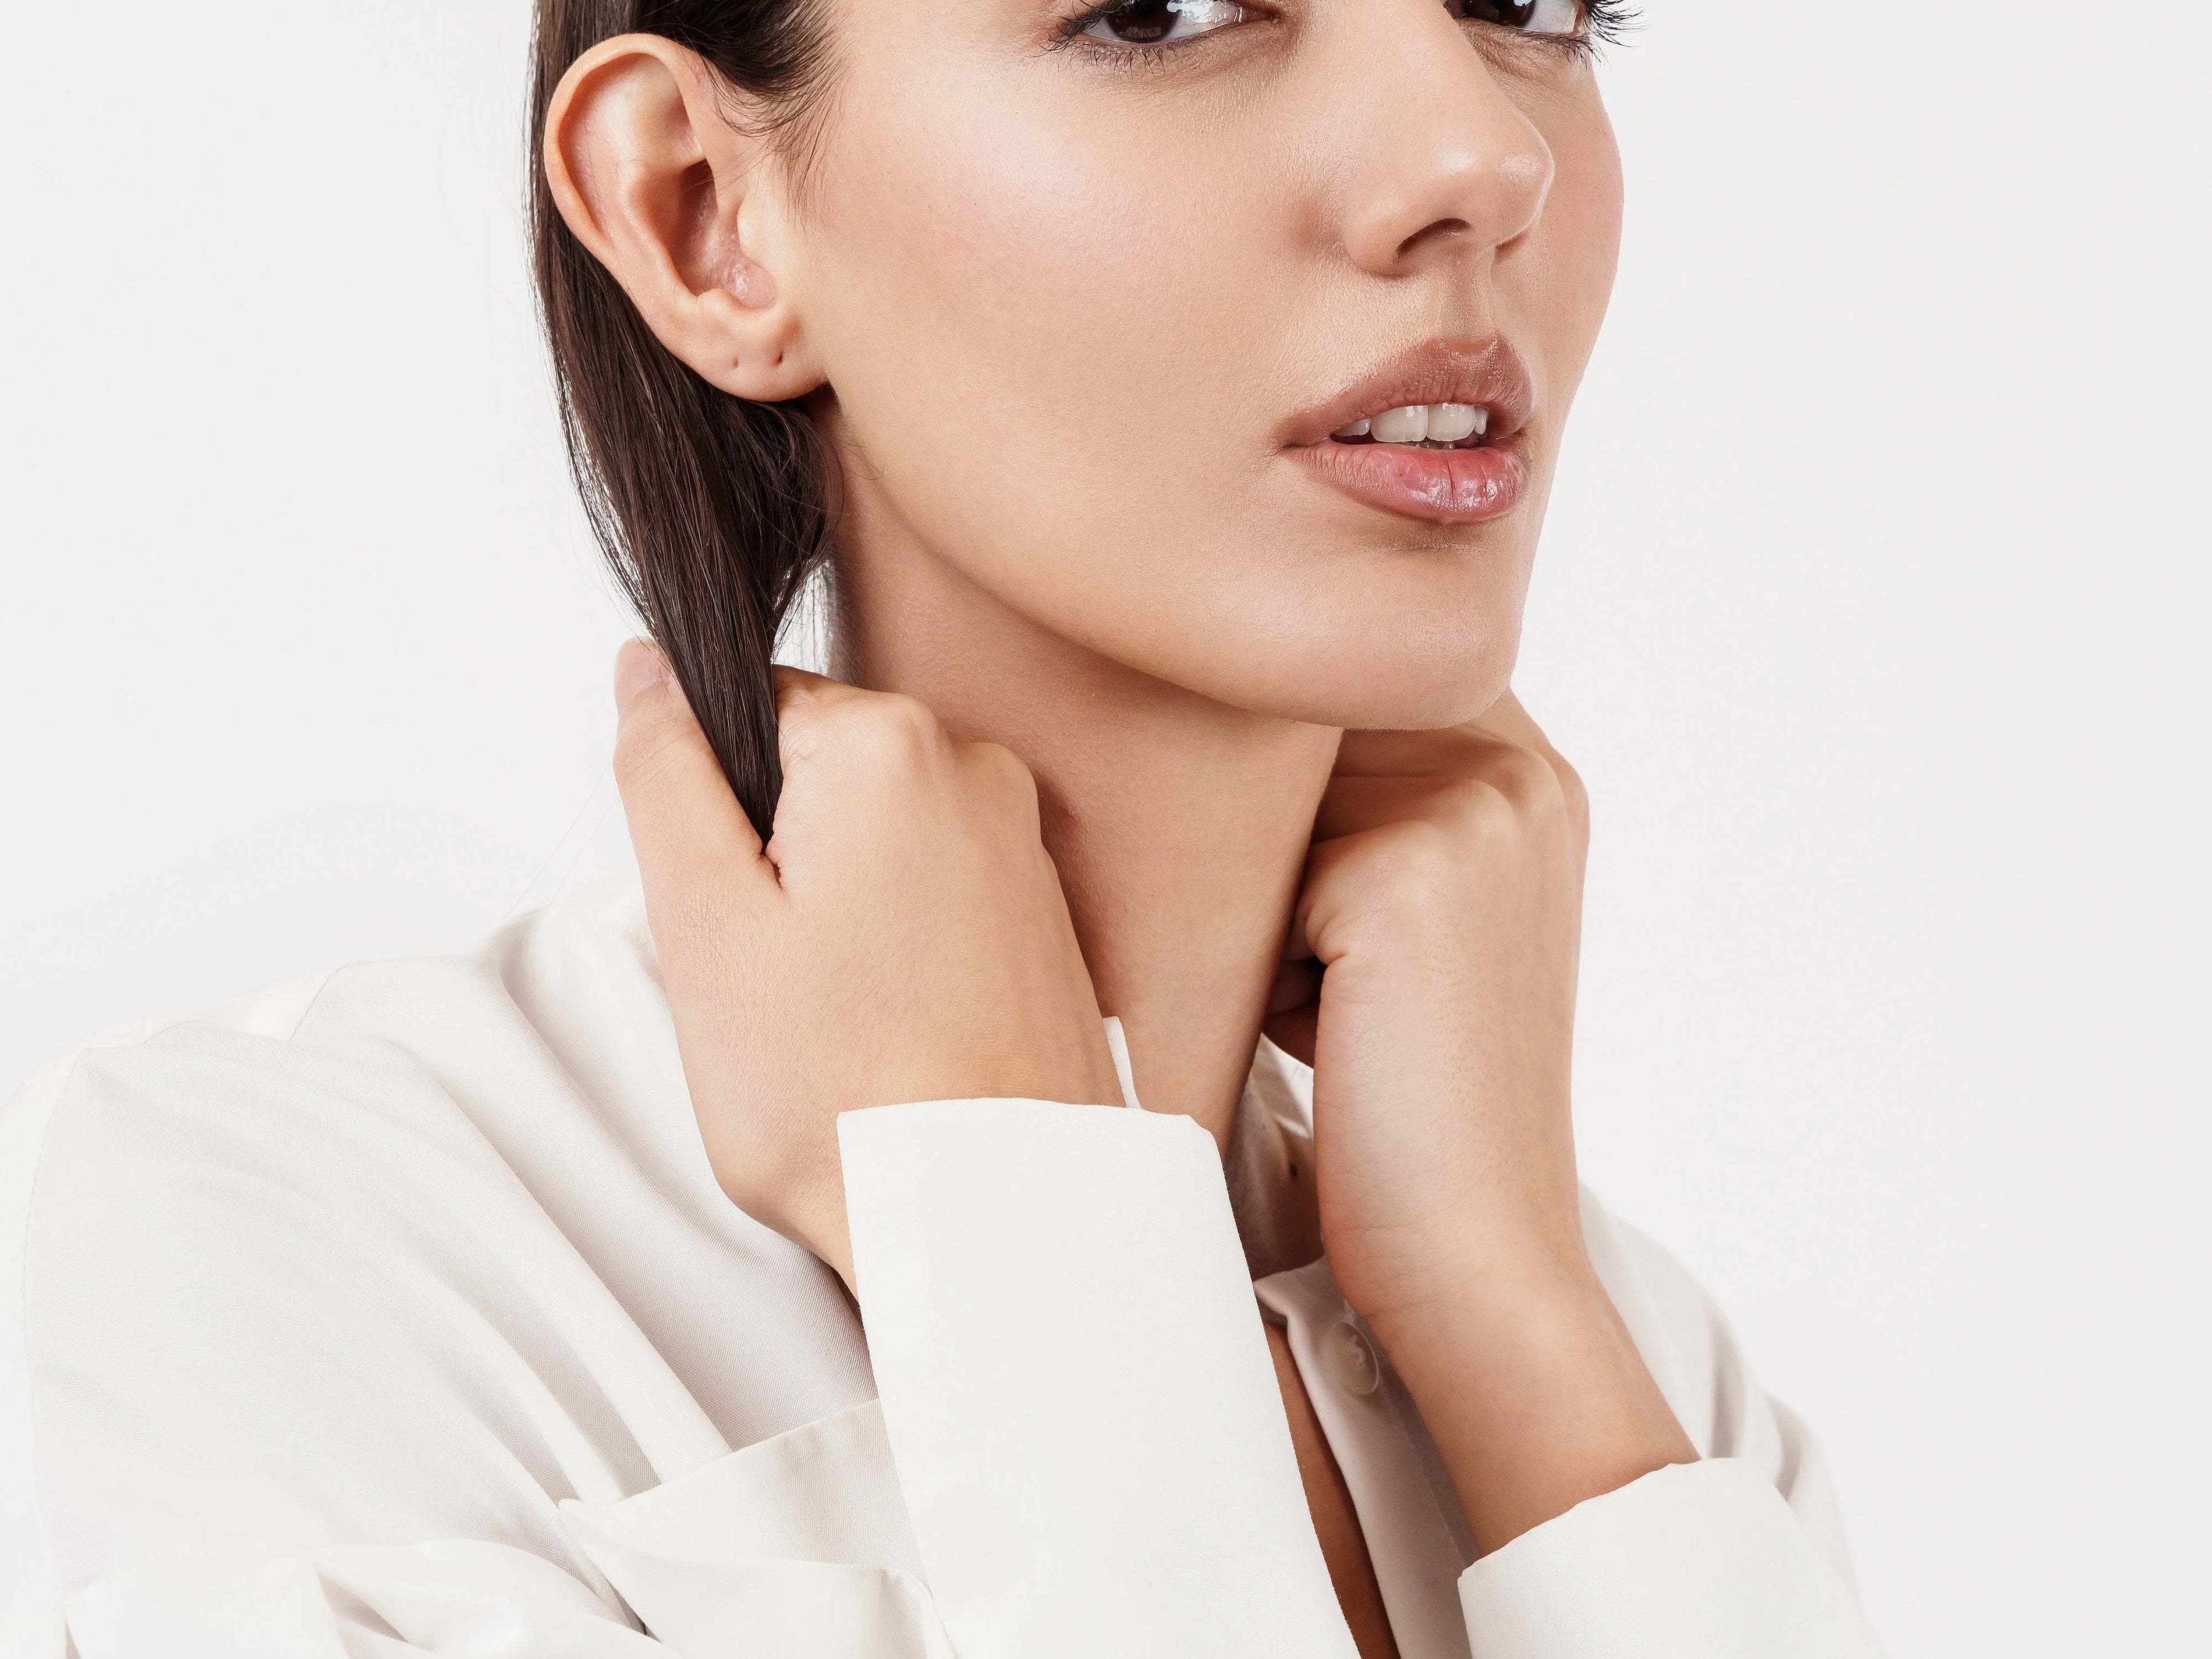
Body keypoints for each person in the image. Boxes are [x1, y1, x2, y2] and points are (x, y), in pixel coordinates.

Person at [0, 2, 1888, 1654]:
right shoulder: (277, 1268)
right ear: (704, 215)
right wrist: (1023, 1222)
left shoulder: (1630, 1355)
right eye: (1160, 8)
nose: (1484, 154)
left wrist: (1509, 1314)